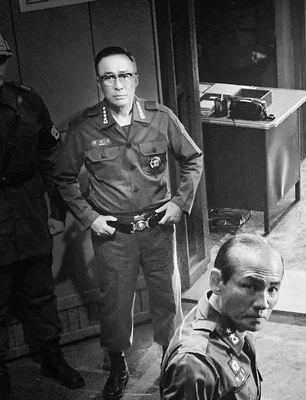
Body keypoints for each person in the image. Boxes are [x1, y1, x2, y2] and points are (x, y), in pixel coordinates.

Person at [54, 46, 203, 400]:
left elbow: (193, 159)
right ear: (99, 82)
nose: (118, 84)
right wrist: (90, 217)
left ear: (136, 78)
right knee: (115, 305)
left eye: (124, 75)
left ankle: (170, 360)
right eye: (109, 77)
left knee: (167, 300)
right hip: (114, 237)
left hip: (158, 230)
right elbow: (63, 178)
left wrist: (180, 202)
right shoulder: (85, 127)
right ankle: (117, 365)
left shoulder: (161, 118)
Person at [0, 33, 85, 399]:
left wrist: (57, 210)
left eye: (0, 61)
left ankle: (52, 357)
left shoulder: (27, 102)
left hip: (27, 209)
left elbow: (51, 158)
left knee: (41, 291)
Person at [160, 233, 283, 400]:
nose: (263, 303)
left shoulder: (233, 322)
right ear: (217, 282)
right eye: (250, 286)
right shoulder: (194, 364)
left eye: (272, 289)